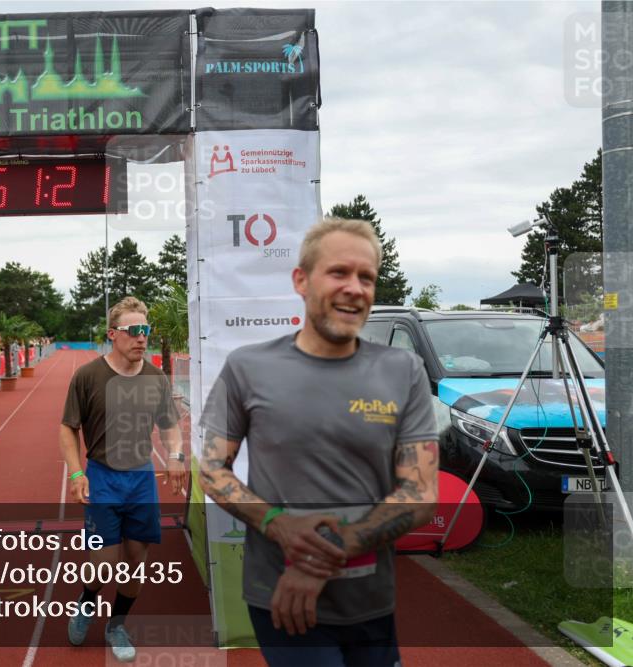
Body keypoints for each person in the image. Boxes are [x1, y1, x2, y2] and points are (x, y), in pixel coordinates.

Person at [199, 218, 439, 666]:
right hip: (282, 600)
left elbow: (421, 494)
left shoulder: (403, 371)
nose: (355, 287)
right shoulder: (247, 367)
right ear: (301, 280)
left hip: (370, 600)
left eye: (366, 277)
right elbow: (213, 469)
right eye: (339, 272)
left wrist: (322, 558)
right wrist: (276, 524)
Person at [60, 296, 188, 662]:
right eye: (134, 331)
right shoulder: (87, 377)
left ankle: (116, 625)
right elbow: (68, 429)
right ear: (112, 334)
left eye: (145, 330)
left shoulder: (156, 378)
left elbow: (170, 427)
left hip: (141, 480)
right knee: (103, 564)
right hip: (102, 479)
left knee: (134, 565)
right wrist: (75, 472)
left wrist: (176, 456)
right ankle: (87, 600)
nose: (142, 338)